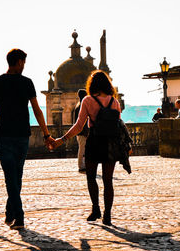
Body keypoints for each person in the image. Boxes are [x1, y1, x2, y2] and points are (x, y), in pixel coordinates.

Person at [0, 49, 54, 230]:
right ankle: (19, 216)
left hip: (6, 135)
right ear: (18, 62)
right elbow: (36, 110)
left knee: (14, 177)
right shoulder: (27, 83)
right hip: (19, 135)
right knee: (14, 177)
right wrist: (46, 134)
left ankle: (11, 211)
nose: (24, 66)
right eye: (23, 62)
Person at [51, 70, 132, 226]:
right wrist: (126, 145)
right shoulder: (114, 102)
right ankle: (107, 215)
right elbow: (119, 125)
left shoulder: (88, 100)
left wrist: (63, 139)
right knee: (108, 181)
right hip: (111, 143)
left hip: (94, 141)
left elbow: (79, 125)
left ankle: (96, 209)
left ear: (92, 85)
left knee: (91, 177)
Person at [74, 89, 89, 172]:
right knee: (82, 149)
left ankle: (83, 165)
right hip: (82, 132)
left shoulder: (78, 106)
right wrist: (85, 131)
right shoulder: (80, 106)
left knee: (83, 149)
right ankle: (81, 166)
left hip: (79, 132)